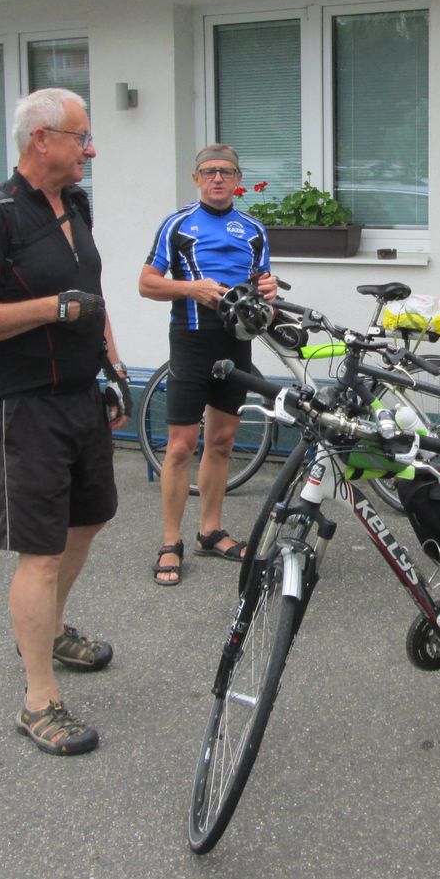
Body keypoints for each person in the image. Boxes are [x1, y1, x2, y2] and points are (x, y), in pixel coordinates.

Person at [0, 87, 131, 755]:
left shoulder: (73, 205)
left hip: (81, 396)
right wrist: (52, 309)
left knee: (91, 518)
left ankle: (48, 629)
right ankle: (38, 699)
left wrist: (114, 369)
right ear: (40, 140)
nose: (91, 150)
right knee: (41, 551)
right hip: (23, 406)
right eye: (81, 137)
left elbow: (92, 296)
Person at [138, 144, 276, 586]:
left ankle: (210, 531)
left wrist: (268, 289)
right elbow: (146, 284)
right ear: (196, 178)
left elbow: (262, 285)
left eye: (226, 171)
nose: (218, 178)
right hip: (191, 342)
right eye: (209, 171)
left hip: (236, 343)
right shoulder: (178, 224)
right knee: (180, 446)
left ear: (238, 180)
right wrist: (190, 289)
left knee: (221, 441)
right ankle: (170, 540)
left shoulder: (254, 230)